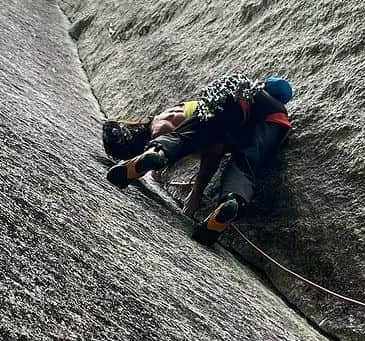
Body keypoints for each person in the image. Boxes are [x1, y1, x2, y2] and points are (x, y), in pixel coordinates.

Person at [103, 74, 293, 245]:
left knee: (185, 136)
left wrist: (196, 193)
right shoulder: (280, 110)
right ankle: (232, 200)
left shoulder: (250, 87)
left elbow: (214, 146)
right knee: (245, 166)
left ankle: (158, 154)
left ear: (264, 85)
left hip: (236, 92)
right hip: (275, 120)